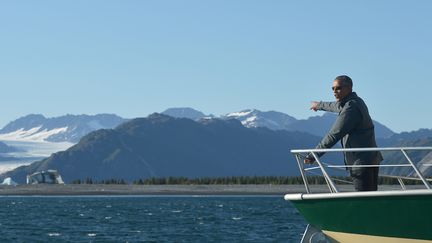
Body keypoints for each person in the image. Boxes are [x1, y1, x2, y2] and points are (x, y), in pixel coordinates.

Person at [304, 75, 383, 191]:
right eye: (333, 88)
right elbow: (336, 106)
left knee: (363, 200)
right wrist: (319, 105)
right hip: (371, 158)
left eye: (339, 88)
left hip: (360, 162)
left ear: (349, 88)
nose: (335, 92)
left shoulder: (350, 109)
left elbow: (334, 134)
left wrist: (313, 155)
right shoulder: (356, 101)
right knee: (370, 198)